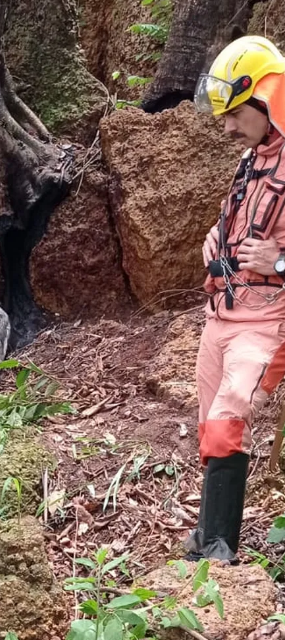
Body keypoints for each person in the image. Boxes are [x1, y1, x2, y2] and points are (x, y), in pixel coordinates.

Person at [187, 34, 285, 563]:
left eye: (234, 114)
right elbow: (241, 222)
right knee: (210, 426)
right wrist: (214, 239)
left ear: (266, 98)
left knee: (228, 417)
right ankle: (205, 537)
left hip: (267, 320)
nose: (226, 127)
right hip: (220, 312)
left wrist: (281, 262)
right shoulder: (251, 160)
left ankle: (220, 548)